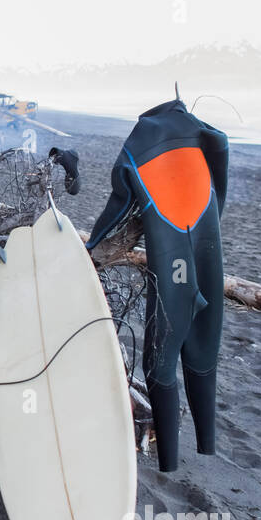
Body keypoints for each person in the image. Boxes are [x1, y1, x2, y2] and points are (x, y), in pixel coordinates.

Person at [84, 97, 228, 473]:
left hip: (172, 264)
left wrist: (92, 244)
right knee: (202, 353)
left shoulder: (138, 141)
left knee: (159, 365)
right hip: (207, 255)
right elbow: (222, 154)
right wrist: (214, 215)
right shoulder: (201, 130)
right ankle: (206, 445)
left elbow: (119, 203)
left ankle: (169, 464)